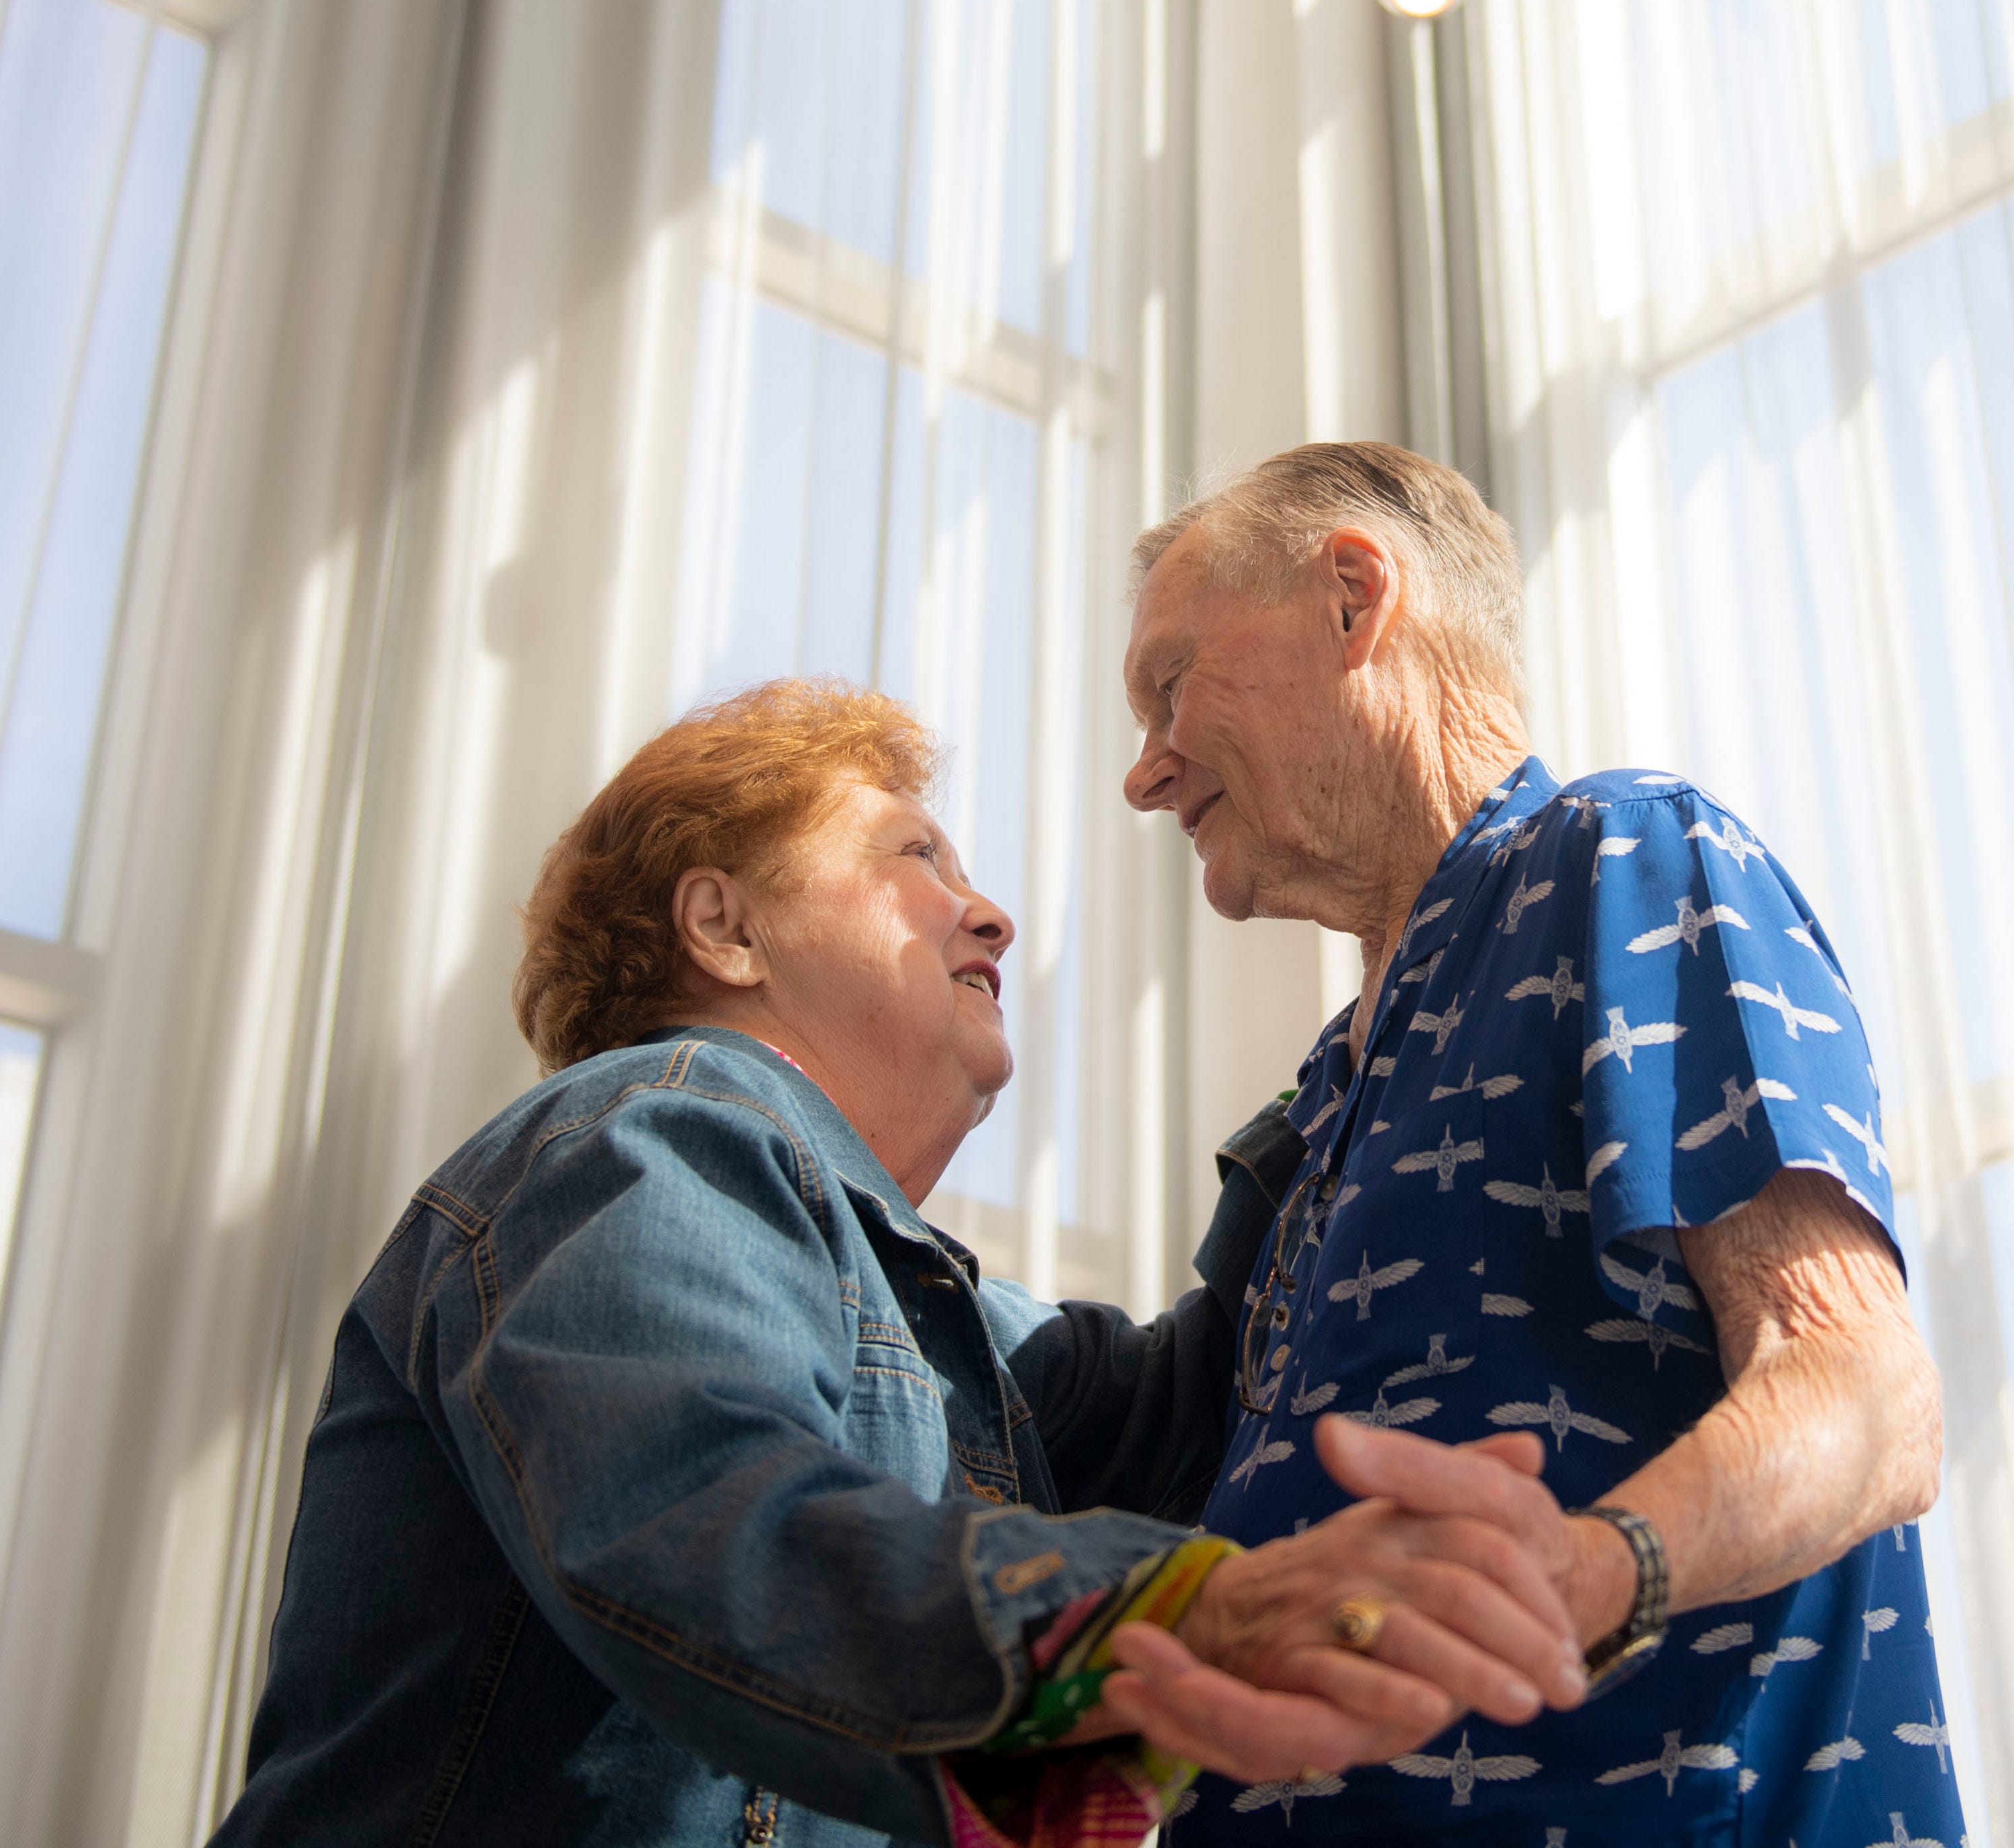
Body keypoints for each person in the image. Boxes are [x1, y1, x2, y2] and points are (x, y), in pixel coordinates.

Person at [209, 677, 1591, 1848]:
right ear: (725, 928)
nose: (987, 914)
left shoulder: (932, 1303)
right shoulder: (643, 1128)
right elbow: (705, 1513)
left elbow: (1206, 1410)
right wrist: (1169, 1618)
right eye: (916, 857)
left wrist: (1367, 1054)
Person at [1117, 442, 1963, 1847]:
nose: (1143, 774)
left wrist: (1587, 1568)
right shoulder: (1325, 1091)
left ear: (1351, 596)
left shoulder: (1615, 855)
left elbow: (1867, 1392)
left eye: (1166, 684)